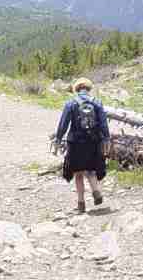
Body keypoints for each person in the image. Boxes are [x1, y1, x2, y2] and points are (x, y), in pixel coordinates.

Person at [54, 77, 111, 213]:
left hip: (75, 142)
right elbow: (103, 124)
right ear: (89, 89)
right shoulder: (97, 102)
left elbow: (63, 124)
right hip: (93, 141)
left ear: (76, 89)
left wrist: (58, 139)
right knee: (90, 170)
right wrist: (106, 139)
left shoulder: (71, 103)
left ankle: (81, 203)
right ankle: (96, 191)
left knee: (78, 173)